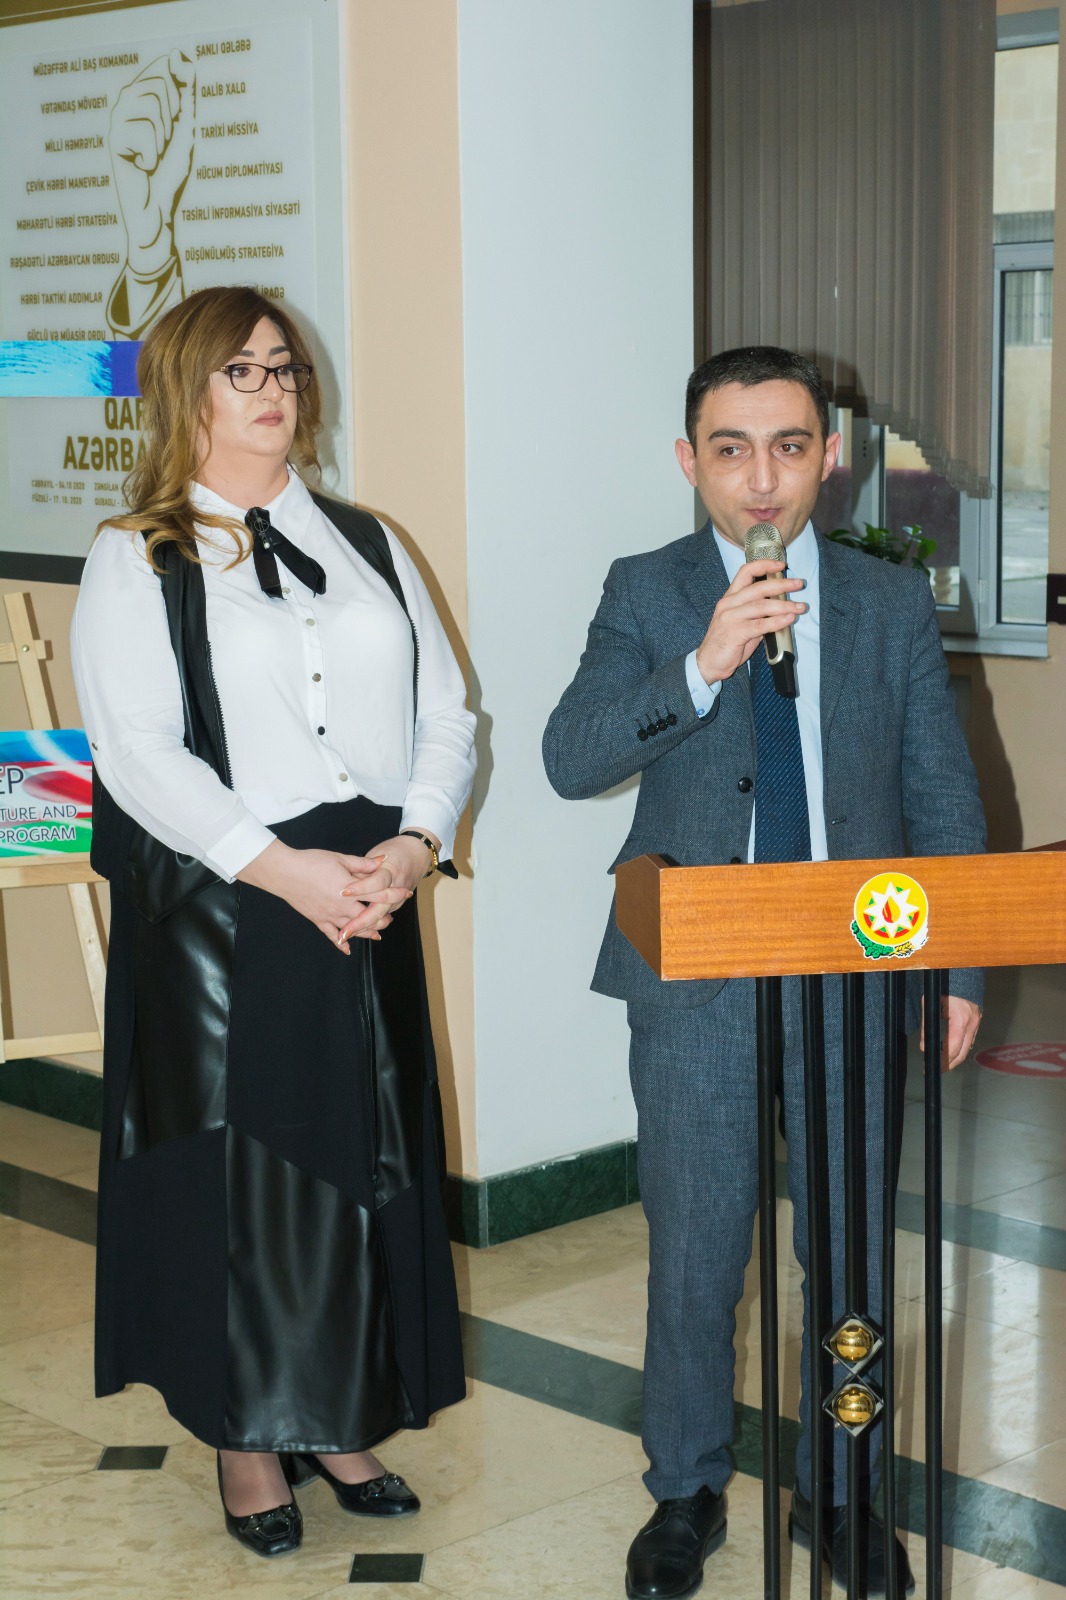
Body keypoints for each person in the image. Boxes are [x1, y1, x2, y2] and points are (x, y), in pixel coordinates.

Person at [542, 346, 984, 1600]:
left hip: (854, 974)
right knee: (695, 1252)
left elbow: (940, 789)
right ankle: (683, 1490)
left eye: (788, 447)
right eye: (730, 450)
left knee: (848, 1259)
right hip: (698, 977)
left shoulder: (887, 601)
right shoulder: (647, 589)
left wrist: (953, 967)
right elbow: (571, 758)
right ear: (689, 462)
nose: (760, 479)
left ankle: (841, 1494)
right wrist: (703, 661)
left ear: (829, 459)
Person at [72, 285, 476, 1558]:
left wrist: (414, 843)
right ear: (183, 390)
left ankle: (340, 1412)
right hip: (224, 901)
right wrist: (279, 868)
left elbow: (448, 713)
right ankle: (247, 1432)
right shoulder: (136, 552)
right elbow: (138, 750)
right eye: (240, 369)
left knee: (363, 1153)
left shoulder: (367, 539)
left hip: (366, 887)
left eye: (285, 367)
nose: (272, 389)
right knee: (241, 1177)